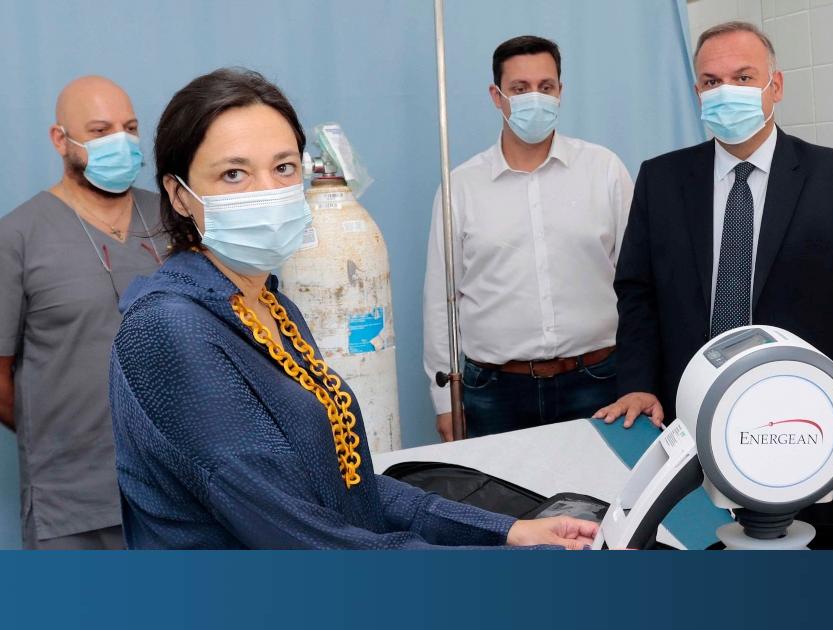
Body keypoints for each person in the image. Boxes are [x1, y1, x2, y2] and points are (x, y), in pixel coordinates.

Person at [109, 67, 597, 550]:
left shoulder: (273, 308)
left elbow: (350, 488)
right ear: (179, 195)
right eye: (234, 174)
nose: (269, 191)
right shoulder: (170, 330)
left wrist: (506, 531)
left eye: (284, 168)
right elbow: (301, 536)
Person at [596, 21, 833, 526]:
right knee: (696, 557)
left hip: (803, 426)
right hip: (686, 423)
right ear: (697, 91)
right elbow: (637, 293)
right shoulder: (661, 179)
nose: (726, 91)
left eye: (744, 77)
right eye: (711, 81)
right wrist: (636, 382)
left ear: (775, 85)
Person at [423, 35, 633, 440]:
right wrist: (444, 400)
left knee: (604, 482)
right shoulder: (460, 187)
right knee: (497, 485)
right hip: (495, 393)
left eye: (545, 87)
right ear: (496, 96)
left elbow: (638, 284)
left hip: (598, 382)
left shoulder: (604, 170)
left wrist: (641, 377)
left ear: (560, 92)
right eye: (520, 89)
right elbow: (440, 301)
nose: (534, 98)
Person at [0, 76, 164, 549]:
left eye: (129, 128)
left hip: (175, 488)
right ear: (60, 139)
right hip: (72, 502)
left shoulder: (171, 220)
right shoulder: (18, 236)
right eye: (100, 131)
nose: (121, 142)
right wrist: (59, 431)